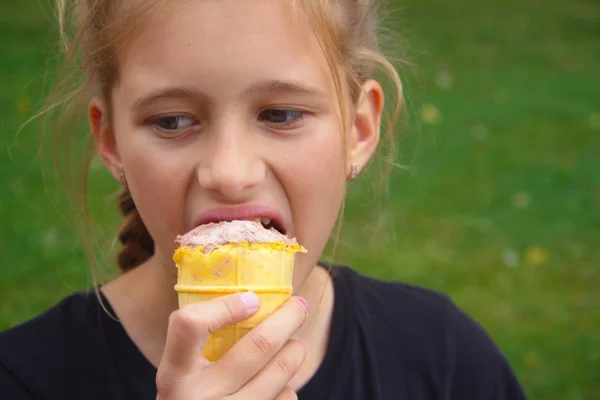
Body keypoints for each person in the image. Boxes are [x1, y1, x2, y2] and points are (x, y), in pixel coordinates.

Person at [0, 0, 528, 399]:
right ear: (111, 142)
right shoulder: (25, 378)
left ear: (359, 130)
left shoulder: (446, 361)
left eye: (280, 114)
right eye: (172, 121)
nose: (229, 174)